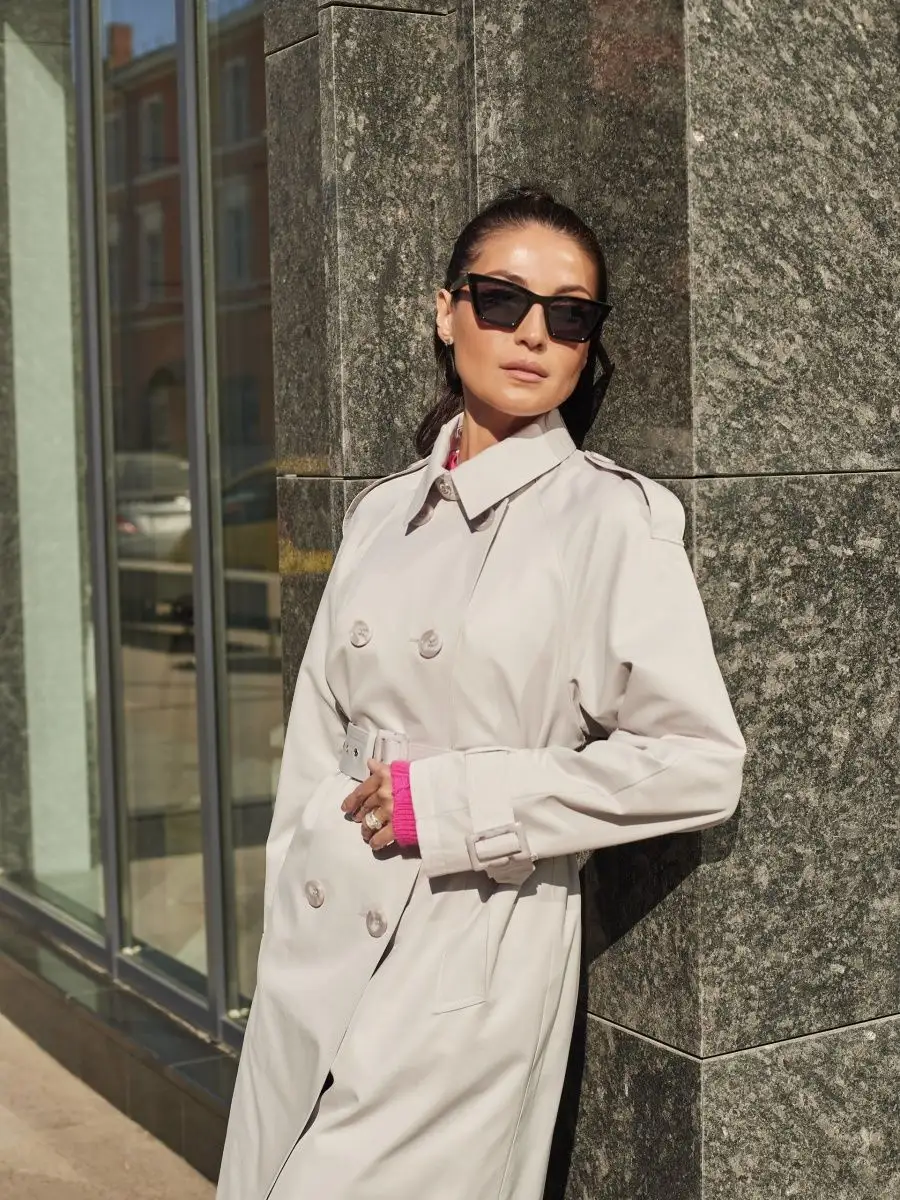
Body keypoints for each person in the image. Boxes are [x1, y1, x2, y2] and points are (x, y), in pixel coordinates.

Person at [216, 186, 745, 1200]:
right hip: (324, 928)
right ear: (446, 311)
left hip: (470, 948)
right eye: (502, 300)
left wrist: (455, 800)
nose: (534, 333)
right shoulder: (379, 513)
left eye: (570, 315)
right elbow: (317, 741)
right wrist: (290, 891)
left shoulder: (611, 519)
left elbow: (700, 764)